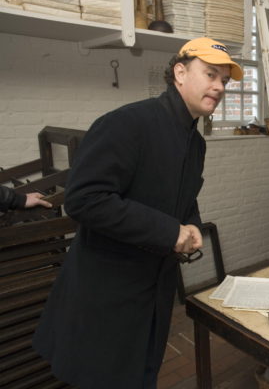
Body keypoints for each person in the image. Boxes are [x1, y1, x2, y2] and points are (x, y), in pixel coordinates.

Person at [33, 37, 243, 389]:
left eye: (224, 80)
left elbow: (183, 198)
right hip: (108, 290)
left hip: (155, 287)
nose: (219, 87)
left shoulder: (196, 142)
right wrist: (168, 231)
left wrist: (189, 224)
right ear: (179, 72)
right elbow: (84, 199)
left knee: (141, 373)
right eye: (210, 74)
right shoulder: (128, 123)